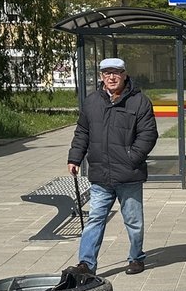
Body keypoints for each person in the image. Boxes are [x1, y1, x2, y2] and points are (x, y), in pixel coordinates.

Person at [67, 57, 158, 275]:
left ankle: (136, 257)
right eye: (106, 73)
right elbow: (82, 132)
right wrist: (74, 158)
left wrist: (131, 157)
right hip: (101, 174)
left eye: (116, 72)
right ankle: (86, 264)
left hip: (129, 175)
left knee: (133, 222)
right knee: (95, 220)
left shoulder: (139, 101)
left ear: (125, 74)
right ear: (101, 77)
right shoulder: (91, 102)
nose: (111, 77)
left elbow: (148, 135)